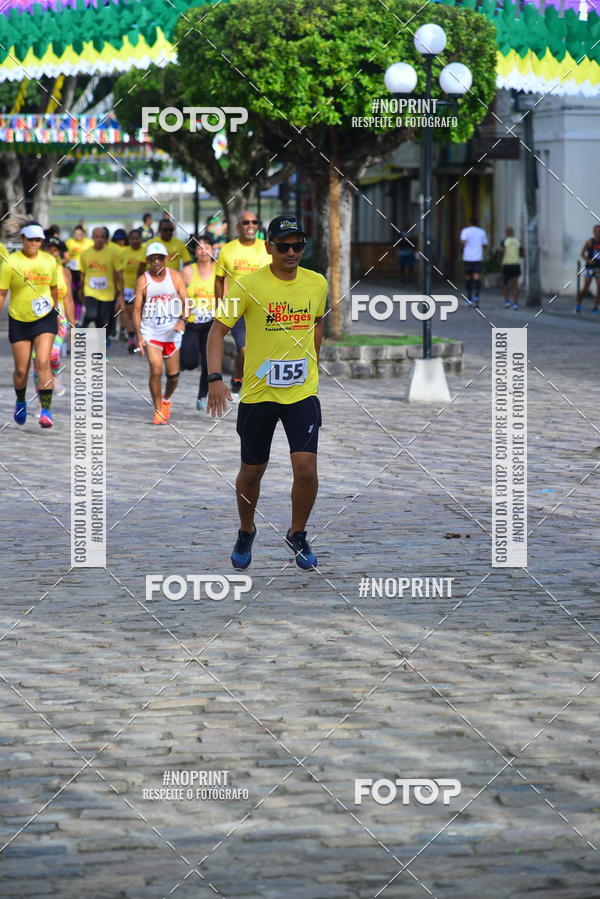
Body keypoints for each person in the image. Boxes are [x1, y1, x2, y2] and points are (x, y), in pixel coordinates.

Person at [206, 214, 326, 572]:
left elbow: (317, 323)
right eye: (284, 246)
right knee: (252, 471)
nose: (291, 252)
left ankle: (297, 533)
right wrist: (215, 378)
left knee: (306, 469)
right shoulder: (247, 285)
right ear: (268, 247)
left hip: (302, 392)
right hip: (259, 395)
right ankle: (246, 530)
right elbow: (216, 331)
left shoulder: (317, 283)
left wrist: (314, 360)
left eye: (298, 245)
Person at [0, 222, 76, 428]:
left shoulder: (49, 261)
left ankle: (46, 411)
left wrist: (55, 311)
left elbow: (54, 289)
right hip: (19, 319)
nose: (34, 243)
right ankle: (20, 401)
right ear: (22, 239)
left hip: (45, 318)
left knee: (43, 362)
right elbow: (2, 294)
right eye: (31, 239)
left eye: (38, 240)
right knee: (21, 370)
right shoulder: (10, 262)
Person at [214, 210, 270, 398]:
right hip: (237, 307)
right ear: (238, 226)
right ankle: (254, 385)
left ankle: (238, 379)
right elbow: (219, 280)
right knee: (245, 349)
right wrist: (219, 306)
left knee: (257, 350)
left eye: (254, 222)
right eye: (246, 222)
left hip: (262, 308)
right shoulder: (227, 250)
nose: (250, 226)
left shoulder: (267, 247)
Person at [133, 241, 189, 425]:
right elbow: (136, 310)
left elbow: (187, 302)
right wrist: (139, 335)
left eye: (159, 258)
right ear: (148, 261)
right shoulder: (143, 280)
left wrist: (182, 321)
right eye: (152, 259)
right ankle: (158, 409)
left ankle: (166, 399)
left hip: (172, 332)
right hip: (151, 332)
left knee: (173, 377)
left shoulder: (175, 277)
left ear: (165, 259)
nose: (156, 262)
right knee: (156, 370)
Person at [32, 236, 72, 402]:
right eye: (48, 249)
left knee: (53, 355)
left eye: (55, 250)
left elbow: (68, 299)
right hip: (37, 318)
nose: (52, 253)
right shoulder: (35, 270)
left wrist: (74, 326)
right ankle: (41, 402)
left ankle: (55, 374)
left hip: (59, 319)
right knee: (38, 361)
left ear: (59, 253)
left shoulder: (65, 272)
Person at [181, 234, 217, 412]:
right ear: (194, 251)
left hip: (212, 325)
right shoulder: (188, 271)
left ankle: (202, 395)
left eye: (207, 248)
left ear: (213, 250)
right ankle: (183, 361)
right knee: (189, 362)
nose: (203, 251)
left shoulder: (219, 270)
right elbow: (179, 295)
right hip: (192, 323)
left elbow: (225, 296)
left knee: (208, 363)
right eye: (199, 248)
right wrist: (181, 318)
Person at [80, 227, 124, 343]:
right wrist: (81, 289)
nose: (99, 239)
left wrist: (120, 292)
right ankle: (83, 326)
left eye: (102, 237)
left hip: (107, 292)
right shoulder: (85, 254)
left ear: (106, 239)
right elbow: (82, 274)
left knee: (104, 322)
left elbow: (119, 273)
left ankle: (101, 343)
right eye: (97, 236)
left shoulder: (113, 253)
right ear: (92, 238)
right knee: (92, 314)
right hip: (90, 290)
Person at [119, 229, 147, 352]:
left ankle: (141, 337)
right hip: (128, 288)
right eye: (133, 239)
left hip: (143, 287)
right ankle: (131, 340)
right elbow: (119, 272)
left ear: (141, 239)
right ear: (129, 240)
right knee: (129, 313)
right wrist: (120, 289)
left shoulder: (145, 251)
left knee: (141, 313)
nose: (135, 241)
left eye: (137, 238)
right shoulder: (124, 253)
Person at [66, 225, 93, 322]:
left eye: (80, 234)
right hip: (72, 271)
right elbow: (66, 255)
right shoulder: (69, 242)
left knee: (80, 295)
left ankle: (77, 318)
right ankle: (70, 317)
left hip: (83, 272)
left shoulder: (90, 243)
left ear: (84, 234)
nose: (78, 236)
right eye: (76, 234)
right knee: (71, 294)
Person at [460, 216, 488, 309]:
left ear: (470, 223)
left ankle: (469, 298)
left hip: (468, 257)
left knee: (468, 277)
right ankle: (477, 296)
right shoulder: (482, 232)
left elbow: (462, 242)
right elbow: (485, 245)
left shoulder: (465, 231)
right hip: (477, 257)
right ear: (478, 223)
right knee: (477, 277)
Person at [575, 224, 600, 313]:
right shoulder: (589, 242)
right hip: (590, 268)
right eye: (597, 231)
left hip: (599, 268)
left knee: (599, 288)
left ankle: (595, 307)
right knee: (586, 288)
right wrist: (588, 260)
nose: (598, 233)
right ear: (594, 232)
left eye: (599, 231)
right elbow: (582, 253)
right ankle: (579, 303)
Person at [500, 226, 522, 309]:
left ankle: (507, 301)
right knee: (515, 284)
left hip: (506, 264)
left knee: (505, 283)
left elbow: (503, 251)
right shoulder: (518, 241)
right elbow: (522, 253)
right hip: (516, 264)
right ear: (513, 233)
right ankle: (515, 303)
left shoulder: (504, 241)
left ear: (506, 233)